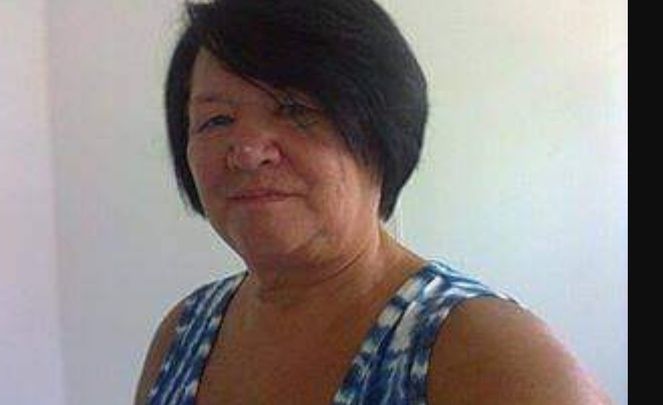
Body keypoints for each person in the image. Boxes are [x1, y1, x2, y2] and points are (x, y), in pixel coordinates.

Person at [136, 0, 610, 403]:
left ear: (382, 132)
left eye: (295, 109)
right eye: (217, 120)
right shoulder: (184, 332)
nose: (247, 151)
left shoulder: (484, 351)